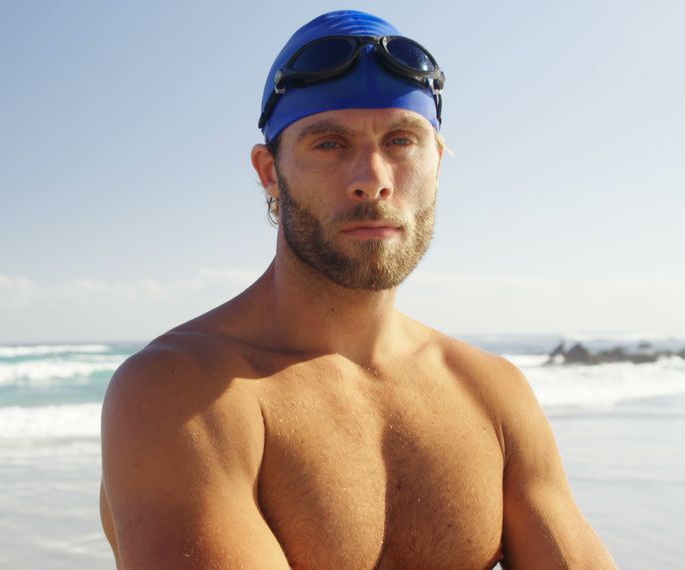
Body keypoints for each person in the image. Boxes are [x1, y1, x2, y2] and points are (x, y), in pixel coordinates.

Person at [99, 10, 616, 569]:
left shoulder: (492, 394)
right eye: (329, 144)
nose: (372, 177)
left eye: (401, 140)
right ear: (270, 171)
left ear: (437, 162)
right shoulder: (184, 396)